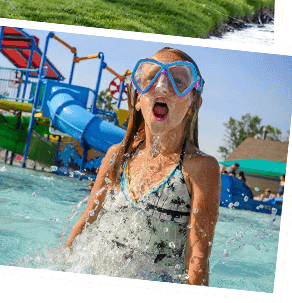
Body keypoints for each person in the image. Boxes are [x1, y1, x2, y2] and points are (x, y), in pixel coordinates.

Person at [64, 47, 221, 285]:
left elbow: (197, 257)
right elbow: (87, 221)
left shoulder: (199, 168)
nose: (162, 87)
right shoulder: (117, 156)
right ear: (138, 99)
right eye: (151, 78)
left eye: (178, 81)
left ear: (192, 105)